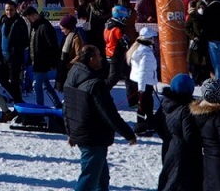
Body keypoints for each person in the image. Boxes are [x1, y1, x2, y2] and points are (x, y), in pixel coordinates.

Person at [63, 44, 137, 191]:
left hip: (82, 133)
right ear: (91, 60)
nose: (101, 58)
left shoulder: (72, 75)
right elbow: (109, 114)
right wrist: (128, 134)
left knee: (101, 178)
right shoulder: (95, 85)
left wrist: (70, 132)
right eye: (98, 56)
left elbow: (67, 107)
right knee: (89, 179)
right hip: (93, 137)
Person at [150, 73, 200, 191]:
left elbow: (156, 124)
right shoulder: (186, 109)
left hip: (168, 145)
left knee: (169, 177)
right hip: (183, 151)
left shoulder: (165, 103)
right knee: (180, 182)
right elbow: (190, 136)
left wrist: (167, 138)